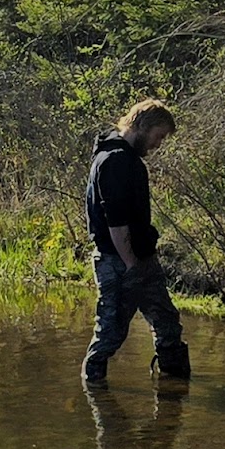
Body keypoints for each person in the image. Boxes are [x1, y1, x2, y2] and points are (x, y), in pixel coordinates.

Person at [82, 98, 190, 386]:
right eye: (159, 136)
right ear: (142, 126)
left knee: (167, 322)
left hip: (139, 258)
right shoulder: (115, 160)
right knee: (110, 334)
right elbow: (115, 220)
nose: (158, 144)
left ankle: (174, 388)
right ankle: (96, 393)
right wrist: (131, 265)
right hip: (120, 262)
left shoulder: (123, 157)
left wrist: (141, 262)